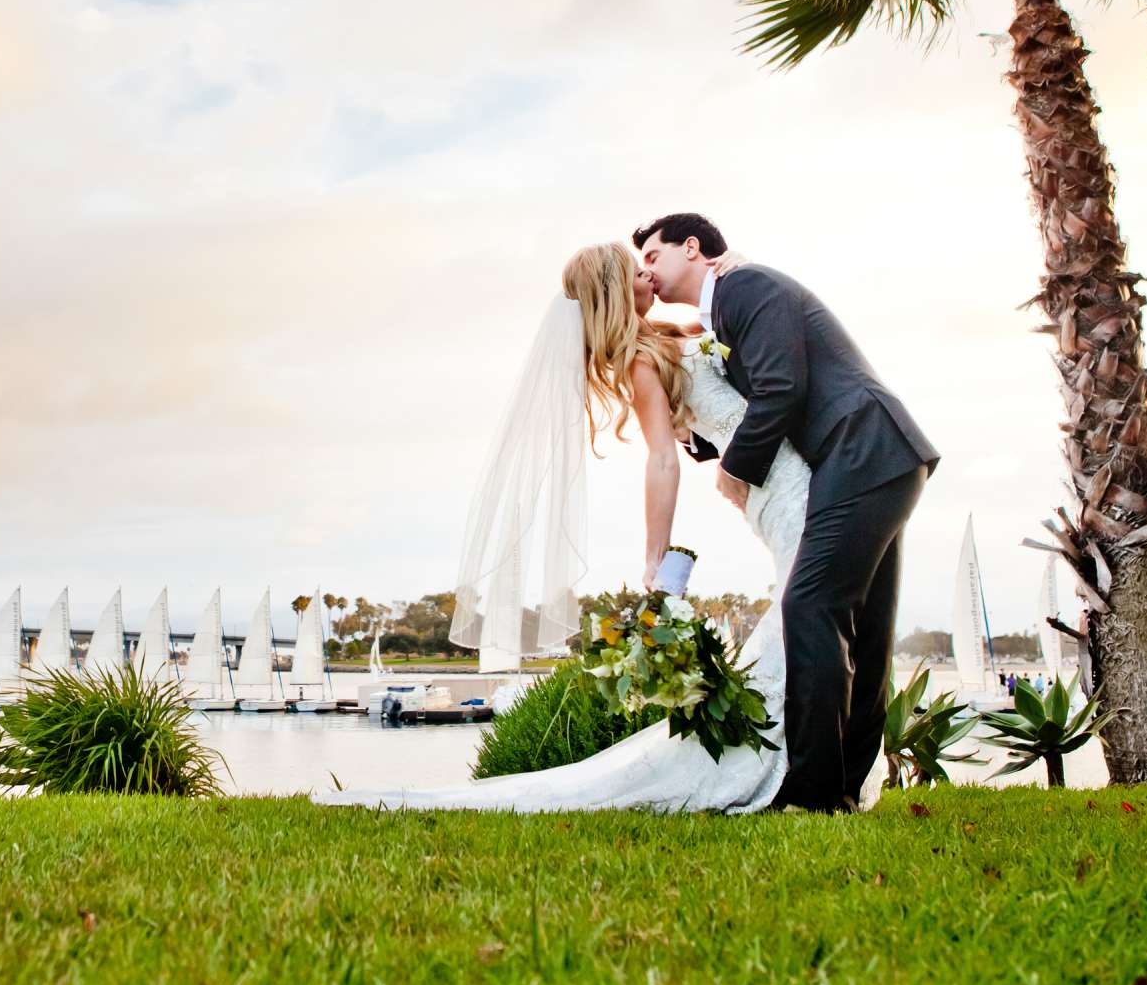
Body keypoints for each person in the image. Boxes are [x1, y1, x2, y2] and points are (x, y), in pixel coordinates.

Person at [315, 239, 807, 814]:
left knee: (802, 620)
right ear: (616, 291)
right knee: (801, 620)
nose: (649, 272)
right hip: (783, 495)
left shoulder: (667, 338)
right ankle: (786, 766)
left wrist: (732, 269)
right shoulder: (643, 361)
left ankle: (802, 757)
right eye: (636, 269)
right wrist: (655, 557)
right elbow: (662, 461)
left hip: (783, 483)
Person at [634, 212, 937, 812]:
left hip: (864, 447)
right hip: (871, 455)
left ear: (691, 249)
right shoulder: (724, 308)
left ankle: (813, 790)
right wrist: (712, 443)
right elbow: (752, 392)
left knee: (810, 604)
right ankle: (842, 787)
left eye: (653, 257)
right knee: (866, 626)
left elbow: (782, 388)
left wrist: (735, 467)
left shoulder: (748, 287)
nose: (648, 271)